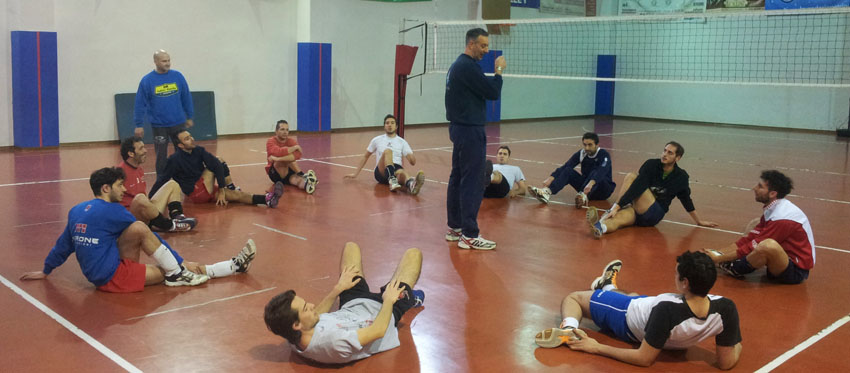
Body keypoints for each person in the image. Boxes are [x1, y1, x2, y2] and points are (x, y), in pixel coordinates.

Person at [20, 167, 258, 292]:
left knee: (136, 228)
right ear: (105, 188)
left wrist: (46, 269)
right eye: (119, 185)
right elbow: (149, 235)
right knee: (174, 266)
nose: (124, 190)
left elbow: (65, 244)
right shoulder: (113, 211)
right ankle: (231, 266)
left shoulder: (77, 210)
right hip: (113, 279)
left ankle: (185, 271)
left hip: (106, 269)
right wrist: (176, 264)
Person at [534, 251, 742, 370]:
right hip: (646, 307)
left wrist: (596, 347)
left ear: (685, 283)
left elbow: (644, 359)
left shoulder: (667, 311)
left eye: (676, 274)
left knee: (575, 298)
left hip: (626, 315)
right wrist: (736, 342)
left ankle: (569, 329)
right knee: (633, 294)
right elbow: (726, 363)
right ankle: (607, 286)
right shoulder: (727, 308)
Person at [263, 242, 424, 364]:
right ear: (296, 325)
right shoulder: (334, 343)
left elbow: (317, 314)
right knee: (413, 254)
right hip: (381, 312)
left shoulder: (294, 334)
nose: (312, 306)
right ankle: (409, 301)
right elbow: (378, 330)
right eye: (305, 308)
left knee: (350, 247)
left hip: (352, 304)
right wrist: (389, 299)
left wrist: (338, 288)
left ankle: (403, 296)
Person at [445, 28, 506, 251]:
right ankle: (470, 234)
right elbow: (492, 92)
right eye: (483, 46)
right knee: (472, 180)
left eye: (487, 46)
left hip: (459, 128)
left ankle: (455, 227)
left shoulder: (456, 66)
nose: (486, 50)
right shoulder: (468, 67)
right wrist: (499, 71)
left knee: (458, 176)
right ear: (471, 44)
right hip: (470, 130)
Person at [702, 170, 814, 284]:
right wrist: (718, 253)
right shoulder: (773, 208)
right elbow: (749, 239)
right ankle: (726, 261)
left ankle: (736, 268)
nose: (754, 188)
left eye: (760, 187)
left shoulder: (782, 219)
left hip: (795, 271)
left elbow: (752, 246)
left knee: (767, 245)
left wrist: (718, 259)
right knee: (755, 225)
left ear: (772, 194)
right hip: (782, 260)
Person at [586, 141, 717, 238]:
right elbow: (637, 187)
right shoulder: (651, 165)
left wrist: (698, 221)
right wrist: (619, 208)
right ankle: (601, 227)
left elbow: (686, 199)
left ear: (678, 158)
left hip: (654, 212)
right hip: (638, 211)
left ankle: (611, 210)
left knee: (631, 177)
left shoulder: (681, 177)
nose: (665, 154)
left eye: (670, 153)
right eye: (664, 150)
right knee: (617, 220)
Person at [149, 129, 284, 208]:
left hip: (205, 187)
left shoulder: (198, 151)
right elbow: (162, 179)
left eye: (190, 136)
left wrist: (221, 191)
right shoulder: (174, 160)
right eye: (187, 139)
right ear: (180, 145)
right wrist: (150, 199)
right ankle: (228, 188)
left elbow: (217, 167)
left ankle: (267, 199)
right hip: (195, 193)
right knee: (216, 163)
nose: (192, 139)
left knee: (237, 195)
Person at [133, 49, 195, 176]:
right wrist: (138, 124)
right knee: (161, 155)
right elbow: (140, 103)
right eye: (164, 61)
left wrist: (189, 116)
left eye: (168, 60)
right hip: (159, 126)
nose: (167, 63)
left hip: (178, 123)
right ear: (155, 62)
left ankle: (185, 177)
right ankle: (162, 181)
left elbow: (186, 97)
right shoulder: (147, 81)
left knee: (184, 152)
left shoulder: (178, 76)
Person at [118, 137, 196, 232]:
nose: (145, 151)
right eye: (141, 148)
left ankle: (178, 218)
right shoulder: (120, 173)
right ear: (131, 153)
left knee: (173, 184)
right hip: (132, 218)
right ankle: (169, 225)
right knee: (140, 198)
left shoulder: (139, 169)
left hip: (145, 212)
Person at [528, 132, 615, 208]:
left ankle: (583, 196)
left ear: (597, 145)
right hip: (586, 188)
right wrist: (551, 177)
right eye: (585, 145)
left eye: (590, 145)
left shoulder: (604, 155)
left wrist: (591, 183)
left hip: (603, 190)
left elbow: (601, 171)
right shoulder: (582, 153)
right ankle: (547, 192)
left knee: (595, 171)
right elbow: (567, 165)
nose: (587, 148)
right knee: (568, 170)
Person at [344, 114, 425, 195]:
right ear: (384, 126)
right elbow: (366, 156)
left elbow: (413, 162)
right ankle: (392, 180)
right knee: (388, 151)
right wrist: (355, 174)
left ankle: (411, 185)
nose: (390, 125)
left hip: (396, 168)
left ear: (396, 126)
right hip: (381, 171)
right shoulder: (377, 140)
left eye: (392, 123)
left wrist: (412, 158)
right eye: (387, 123)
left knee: (403, 173)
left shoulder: (402, 142)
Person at [266, 120, 318, 194]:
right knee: (286, 159)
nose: (285, 132)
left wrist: (277, 158)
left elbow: (298, 155)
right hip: (275, 173)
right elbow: (278, 151)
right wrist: (293, 148)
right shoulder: (270, 141)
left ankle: (308, 184)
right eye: (282, 129)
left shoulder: (291, 141)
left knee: (297, 181)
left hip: (288, 170)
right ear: (276, 131)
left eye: (287, 130)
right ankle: (302, 174)